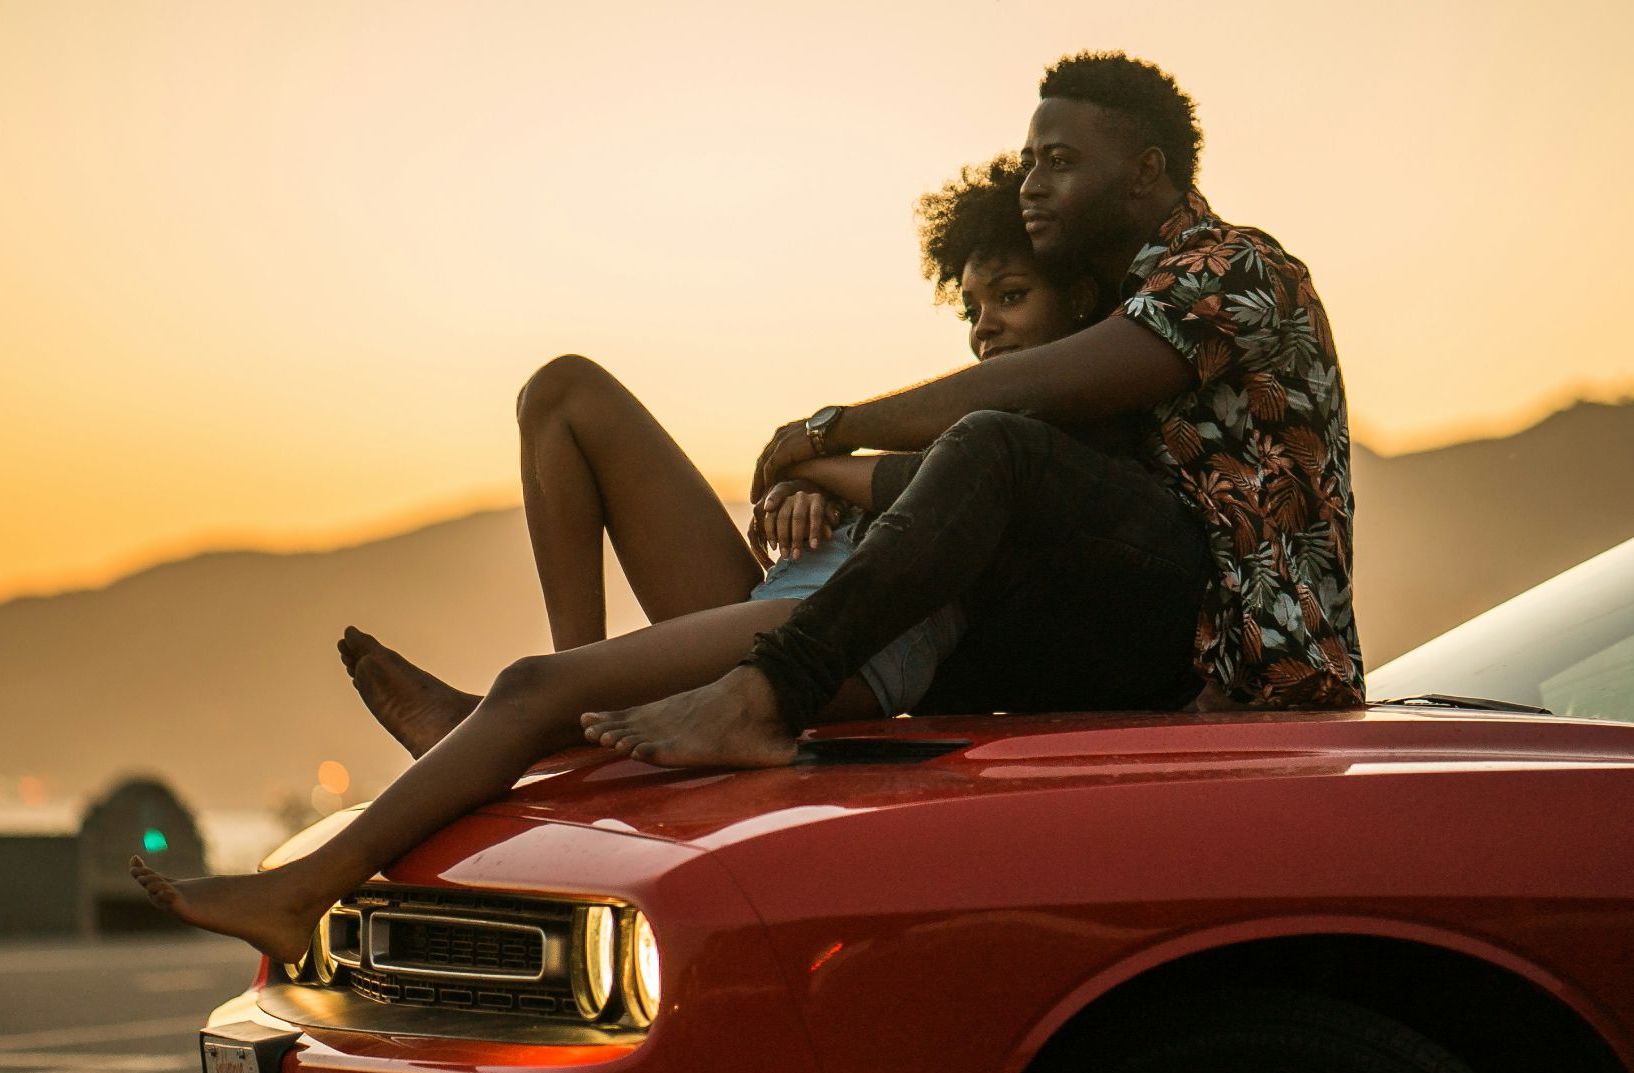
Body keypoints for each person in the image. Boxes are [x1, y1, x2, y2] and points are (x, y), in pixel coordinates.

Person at [130, 156, 1102, 962]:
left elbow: (955, 496)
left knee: (530, 685)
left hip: (842, 646)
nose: (985, 326)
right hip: (780, 595)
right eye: (973, 306)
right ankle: (553, 713)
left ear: (1081, 307)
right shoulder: (961, 417)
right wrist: (814, 491)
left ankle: (307, 887)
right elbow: (882, 485)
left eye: (1012, 298)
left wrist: (823, 470)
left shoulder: (1063, 433)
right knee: (562, 394)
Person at [580, 50, 1365, 771]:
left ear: (1144, 171)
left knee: (996, 446)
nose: (1032, 184)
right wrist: (827, 478)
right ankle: (616, 710)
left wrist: (831, 433)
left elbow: (1024, 398)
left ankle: (761, 695)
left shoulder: (1235, 267)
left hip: (1260, 661)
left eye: (1060, 161)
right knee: (942, 590)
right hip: (1141, 632)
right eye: (1029, 163)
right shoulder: (1118, 298)